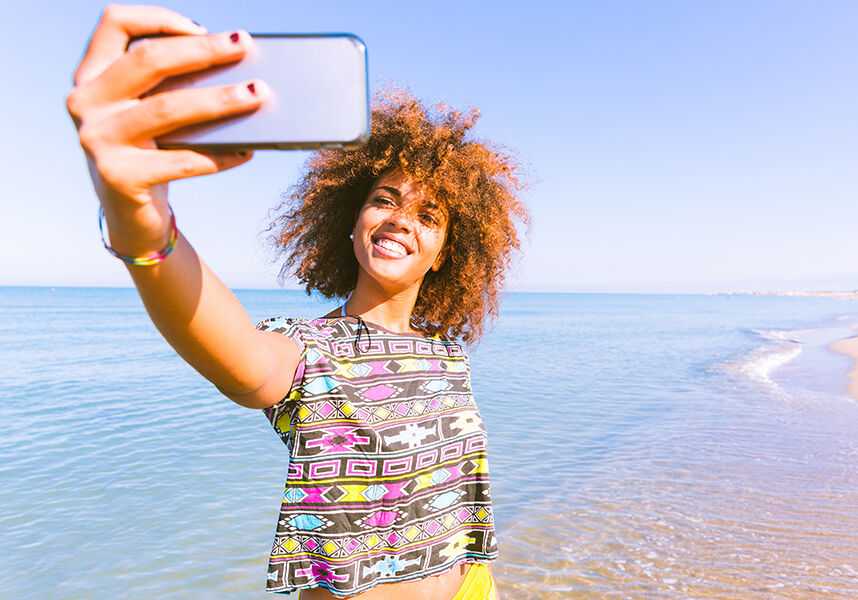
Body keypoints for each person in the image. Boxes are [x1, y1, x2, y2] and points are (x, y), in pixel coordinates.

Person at [66, 6, 528, 599]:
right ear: (351, 222)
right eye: (383, 200)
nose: (399, 221)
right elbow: (238, 357)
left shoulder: (446, 353)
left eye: (427, 215)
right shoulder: (310, 350)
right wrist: (140, 221)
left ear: (443, 254)